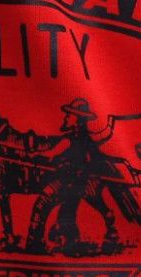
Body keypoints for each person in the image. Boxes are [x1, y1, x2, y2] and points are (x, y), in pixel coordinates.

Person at [25, 98, 116, 253]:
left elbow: (51, 155)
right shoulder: (88, 139)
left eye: (69, 115)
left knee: (42, 203)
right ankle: (70, 239)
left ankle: (34, 243)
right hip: (78, 183)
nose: (66, 117)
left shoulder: (69, 140)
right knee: (68, 211)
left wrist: (32, 155)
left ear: (78, 120)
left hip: (67, 182)